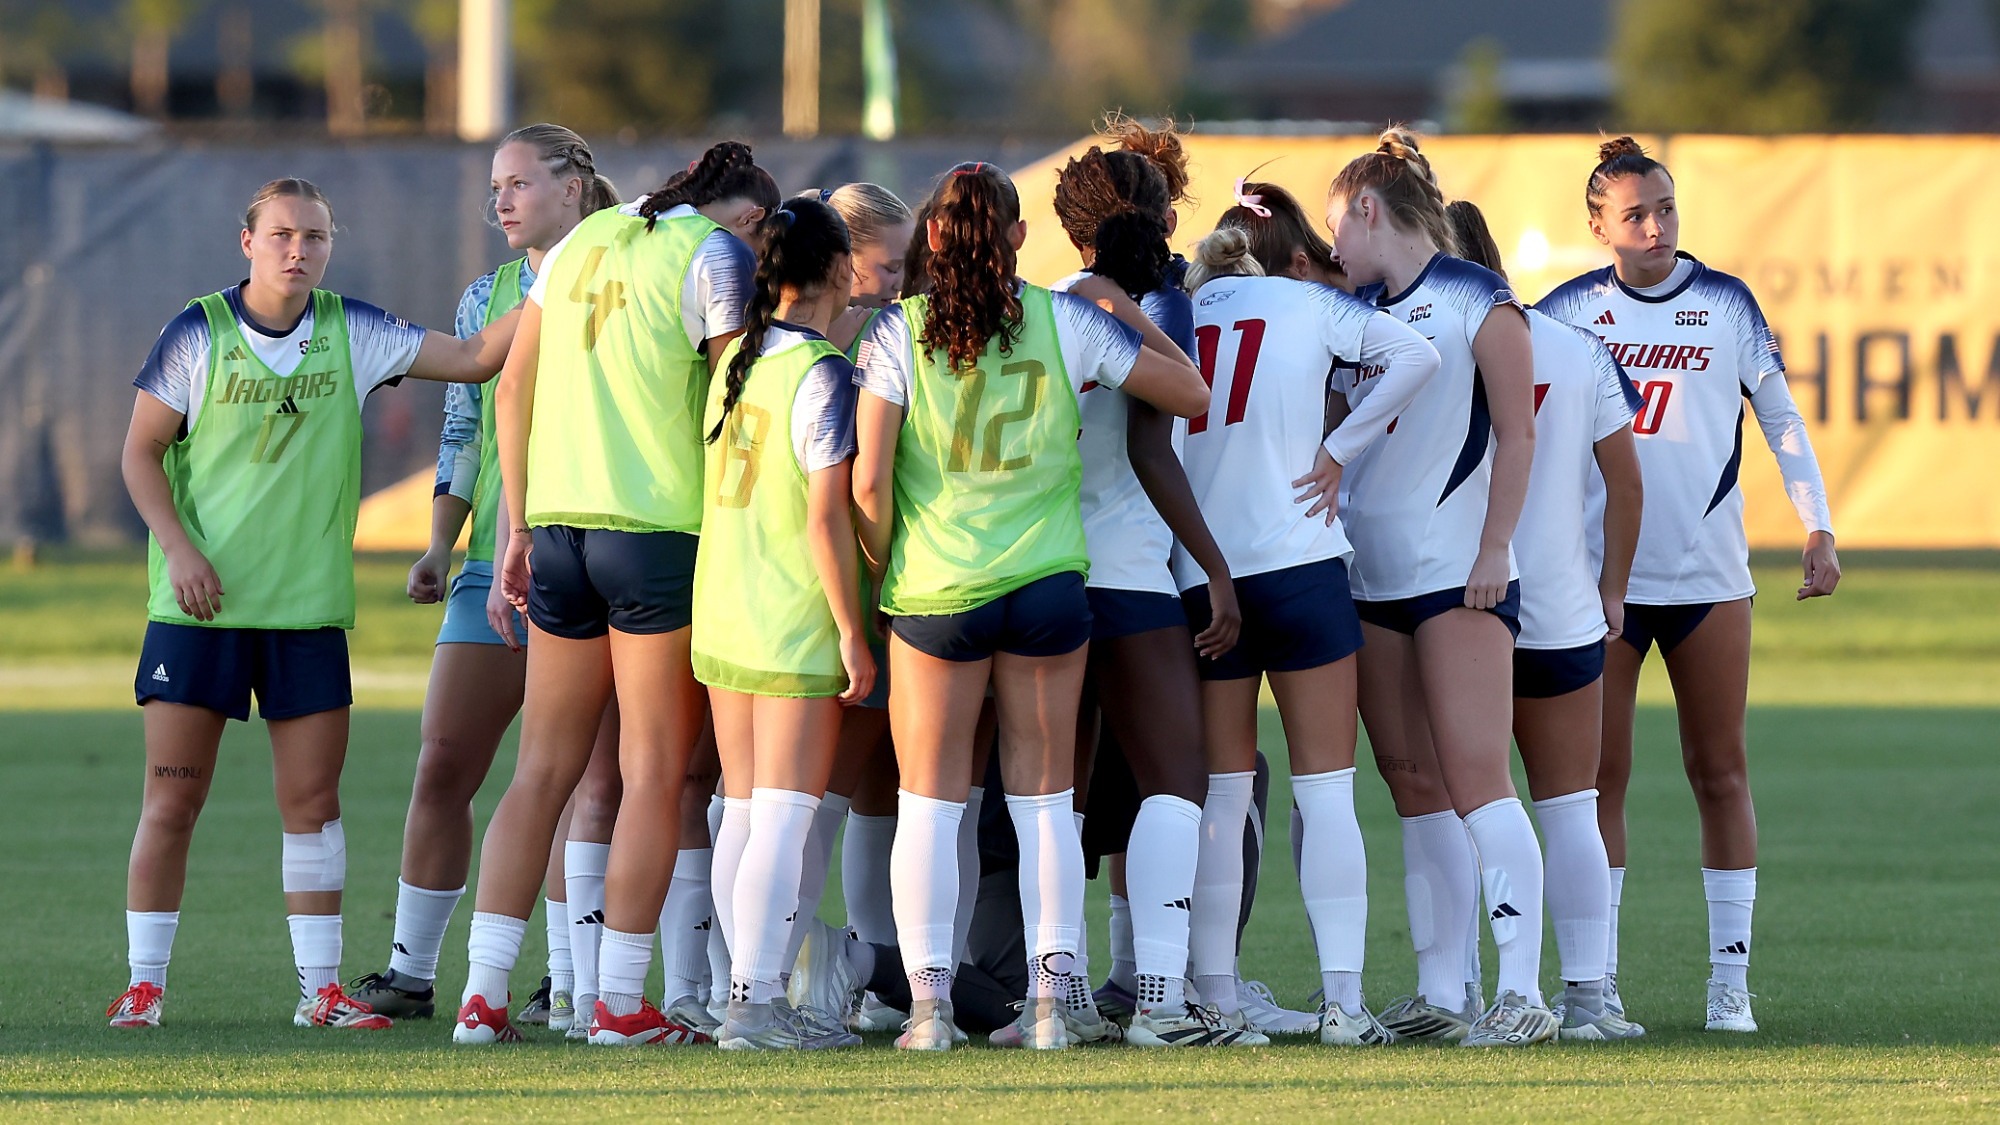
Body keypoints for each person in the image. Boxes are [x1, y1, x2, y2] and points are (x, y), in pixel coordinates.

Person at [110, 177, 523, 1031]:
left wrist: (564, 278)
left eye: (316, 236)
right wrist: (180, 550)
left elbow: (480, 357)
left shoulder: (352, 329)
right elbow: (140, 454)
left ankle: (319, 991)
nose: (298, 249)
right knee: (171, 800)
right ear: (247, 242)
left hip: (306, 614)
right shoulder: (200, 331)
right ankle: (144, 984)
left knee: (313, 807)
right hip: (199, 612)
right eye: (283, 234)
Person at [851, 161, 1210, 1051]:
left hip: (937, 590)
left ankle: (930, 1009)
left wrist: (886, 562)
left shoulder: (899, 331)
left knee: (932, 807)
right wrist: (1121, 309)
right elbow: (1190, 394)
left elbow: (865, 480)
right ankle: (1055, 1004)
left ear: (932, 236)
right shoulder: (1067, 319)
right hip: (1049, 586)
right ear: (1017, 236)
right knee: (1047, 805)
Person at [452, 140, 778, 1046]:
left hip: (555, 531)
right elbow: (735, 397)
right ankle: (621, 1004)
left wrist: (515, 527)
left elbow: (510, 388)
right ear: (740, 215)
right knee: (650, 773)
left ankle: (481, 998)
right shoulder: (711, 256)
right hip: (655, 536)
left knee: (540, 771)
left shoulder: (582, 242)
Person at [1537, 137, 1839, 1034]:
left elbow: (1780, 419)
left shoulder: (1726, 302)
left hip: (1709, 579)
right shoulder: (1563, 312)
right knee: (1597, 782)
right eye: (1635, 214)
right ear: (1599, 227)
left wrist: (1816, 522)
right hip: (1602, 588)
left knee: (1719, 771)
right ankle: (1600, 984)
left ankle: (1729, 987)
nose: (1657, 226)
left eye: (1665, 208)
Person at [344, 124, 624, 1033]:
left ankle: (565, 977)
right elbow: (465, 419)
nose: (500, 201)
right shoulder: (487, 295)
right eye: (492, 186)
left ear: (574, 183)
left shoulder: (633, 266)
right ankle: (412, 970)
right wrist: (440, 539)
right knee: (443, 764)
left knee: (581, 777)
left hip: (589, 554)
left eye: (518, 183)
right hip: (492, 566)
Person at [1179, 213, 1442, 1046]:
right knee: (1325, 791)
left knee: (1222, 793)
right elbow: (1417, 354)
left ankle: (1215, 1000)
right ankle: (1342, 1005)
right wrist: (1341, 447)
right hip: (1299, 564)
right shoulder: (1304, 304)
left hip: (1205, 575)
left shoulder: (1175, 312)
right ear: (1282, 254)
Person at [1321, 128, 1550, 1046]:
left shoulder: (1476, 298)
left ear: (1370, 210)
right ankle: (1443, 990)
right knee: (1410, 777)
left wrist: (1496, 548)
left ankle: (1523, 994)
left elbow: (1519, 436)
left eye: (1340, 225)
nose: (1336, 248)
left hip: (1460, 576)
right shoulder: (1358, 309)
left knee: (1476, 778)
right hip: (1371, 575)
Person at [1049, 142, 1263, 1047]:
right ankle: (1164, 1002)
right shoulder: (1133, 304)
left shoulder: (1046, 302)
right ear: (1153, 217)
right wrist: (1215, 565)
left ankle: (1056, 998)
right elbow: (1153, 441)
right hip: (1130, 574)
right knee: (1177, 784)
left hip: (1047, 571)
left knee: (1048, 794)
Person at [1447, 200, 1649, 1041]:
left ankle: (1456, 990)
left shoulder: (1423, 342)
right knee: (1571, 805)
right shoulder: (1576, 348)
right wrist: (1613, 587)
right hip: (1562, 604)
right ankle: (1589, 999)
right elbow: (1628, 482)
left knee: (1465, 811)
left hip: (1459, 604)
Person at [694, 197, 875, 1050]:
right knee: (784, 815)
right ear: (840, 269)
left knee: (742, 811)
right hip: (789, 615)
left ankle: (743, 992)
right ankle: (756, 1006)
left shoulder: (739, 357)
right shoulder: (821, 372)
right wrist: (850, 628)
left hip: (725, 611)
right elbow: (825, 518)